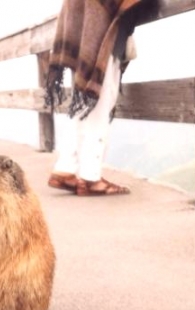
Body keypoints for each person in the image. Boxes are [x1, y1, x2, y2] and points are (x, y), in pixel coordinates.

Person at [45, 0, 151, 196]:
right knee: (100, 99)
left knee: (86, 99)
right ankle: (90, 177)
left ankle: (66, 168)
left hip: (84, 18)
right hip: (101, 27)